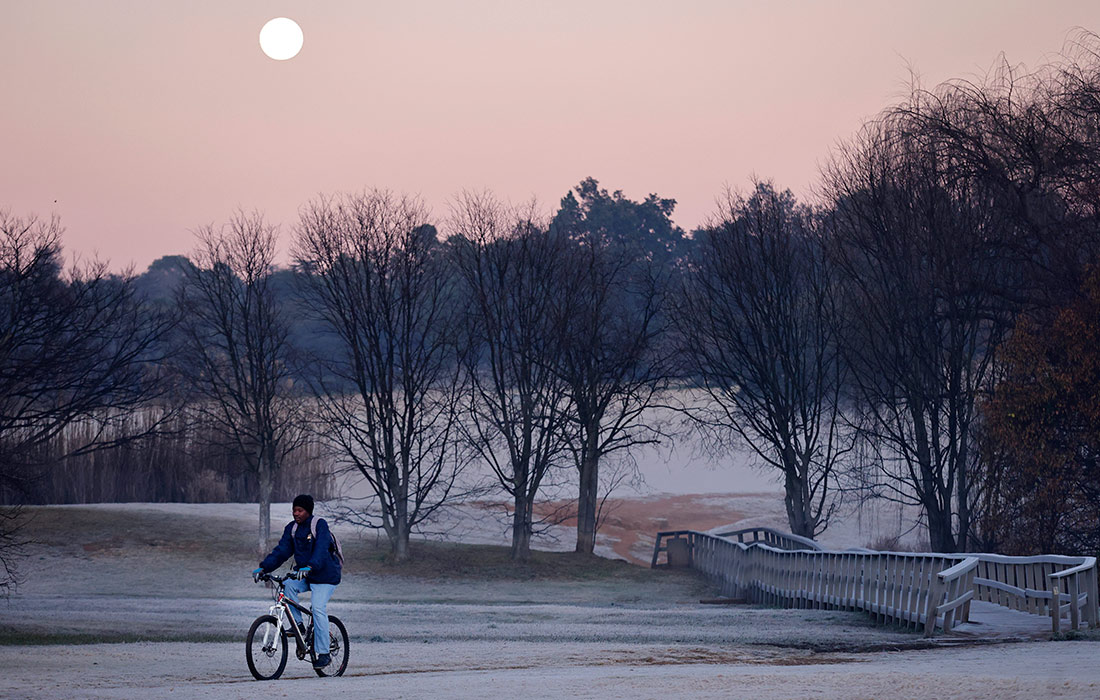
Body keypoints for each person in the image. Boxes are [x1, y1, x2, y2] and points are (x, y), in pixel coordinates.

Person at [252, 494, 341, 669]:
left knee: (317, 608)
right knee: (287, 585)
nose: (296, 513)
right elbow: (281, 552)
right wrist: (264, 568)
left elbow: (322, 548)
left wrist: (310, 566)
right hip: (306, 575)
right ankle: (298, 626)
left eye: (300, 510)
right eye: (294, 510)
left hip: (326, 577)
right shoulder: (292, 529)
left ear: (308, 511)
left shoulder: (319, 525)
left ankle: (324, 653)